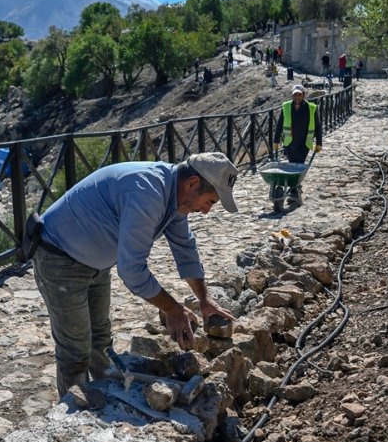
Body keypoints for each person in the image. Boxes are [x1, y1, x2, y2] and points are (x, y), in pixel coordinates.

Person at [33, 153, 239, 398]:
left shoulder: (175, 198)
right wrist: (172, 309)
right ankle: (74, 408)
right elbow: (132, 270)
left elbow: (185, 248)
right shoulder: (147, 192)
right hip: (59, 256)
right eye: (210, 201)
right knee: (75, 347)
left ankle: (106, 394)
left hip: (95, 260)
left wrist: (204, 301)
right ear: (192, 184)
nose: (206, 211)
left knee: (100, 337)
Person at [274, 84, 323, 205]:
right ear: (292, 95)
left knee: (299, 166)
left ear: (303, 96)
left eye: (299, 95)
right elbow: (279, 125)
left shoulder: (311, 108)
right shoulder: (286, 107)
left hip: (304, 143)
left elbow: (318, 126)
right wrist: (276, 141)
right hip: (290, 143)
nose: (297, 97)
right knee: (292, 166)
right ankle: (295, 190)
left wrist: (319, 143)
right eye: (295, 94)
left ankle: (294, 191)